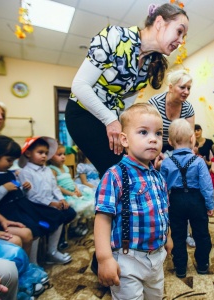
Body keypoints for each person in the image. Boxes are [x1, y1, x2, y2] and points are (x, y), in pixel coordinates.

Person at [65, 3, 189, 178]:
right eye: (179, 31)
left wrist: (140, 142)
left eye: (184, 36)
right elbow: (79, 85)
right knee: (116, 172)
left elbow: (126, 103)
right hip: (83, 112)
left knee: (134, 165)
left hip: (112, 120)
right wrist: (110, 120)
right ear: (160, 23)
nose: (181, 40)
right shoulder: (114, 36)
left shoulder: (150, 64)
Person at [94, 103, 172, 299]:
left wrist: (168, 237)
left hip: (157, 256)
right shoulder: (115, 175)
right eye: (144, 132)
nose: (153, 139)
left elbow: (163, 210)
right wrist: (104, 258)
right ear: (124, 140)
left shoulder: (158, 177)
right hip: (128, 258)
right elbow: (103, 218)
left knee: (155, 295)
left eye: (158, 134)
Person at [160, 118, 214, 278]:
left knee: (178, 234)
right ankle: (203, 264)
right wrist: (210, 204)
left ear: (169, 141)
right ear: (192, 139)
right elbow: (206, 186)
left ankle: (180, 267)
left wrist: (163, 208)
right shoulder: (199, 161)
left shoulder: (166, 163)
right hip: (196, 200)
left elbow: (162, 188)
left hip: (175, 201)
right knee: (201, 233)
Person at [18, 136, 76, 264]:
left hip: (50, 202)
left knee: (69, 212)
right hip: (35, 205)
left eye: (45, 153)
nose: (44, 156)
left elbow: (54, 187)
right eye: (40, 153)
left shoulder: (48, 170)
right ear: (28, 153)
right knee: (57, 215)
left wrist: (61, 199)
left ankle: (54, 246)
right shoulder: (25, 172)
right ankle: (51, 252)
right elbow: (32, 195)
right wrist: (52, 204)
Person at [48, 144, 93, 246]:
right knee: (76, 208)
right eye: (59, 154)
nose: (63, 156)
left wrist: (76, 189)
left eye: (63, 154)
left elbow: (71, 180)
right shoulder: (52, 170)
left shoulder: (65, 167)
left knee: (87, 203)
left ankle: (76, 225)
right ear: (50, 157)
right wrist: (71, 193)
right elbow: (56, 187)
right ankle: (73, 228)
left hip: (73, 191)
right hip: (65, 195)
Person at [148, 69, 194, 154]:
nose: (187, 92)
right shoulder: (155, 102)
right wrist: (157, 152)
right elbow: (149, 131)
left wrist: (189, 152)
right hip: (154, 143)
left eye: (189, 88)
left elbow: (191, 135)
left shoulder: (188, 108)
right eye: (182, 87)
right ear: (171, 87)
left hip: (176, 147)